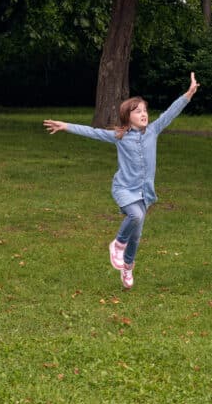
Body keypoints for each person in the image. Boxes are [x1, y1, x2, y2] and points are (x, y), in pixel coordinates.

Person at [43, 73, 200, 290]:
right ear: (127, 116)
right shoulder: (119, 135)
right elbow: (93, 132)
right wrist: (66, 126)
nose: (144, 114)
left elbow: (170, 113)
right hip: (124, 189)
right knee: (135, 216)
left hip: (144, 193)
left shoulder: (153, 131)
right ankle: (117, 244)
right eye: (138, 112)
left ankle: (127, 267)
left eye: (145, 110)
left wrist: (188, 94)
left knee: (136, 235)